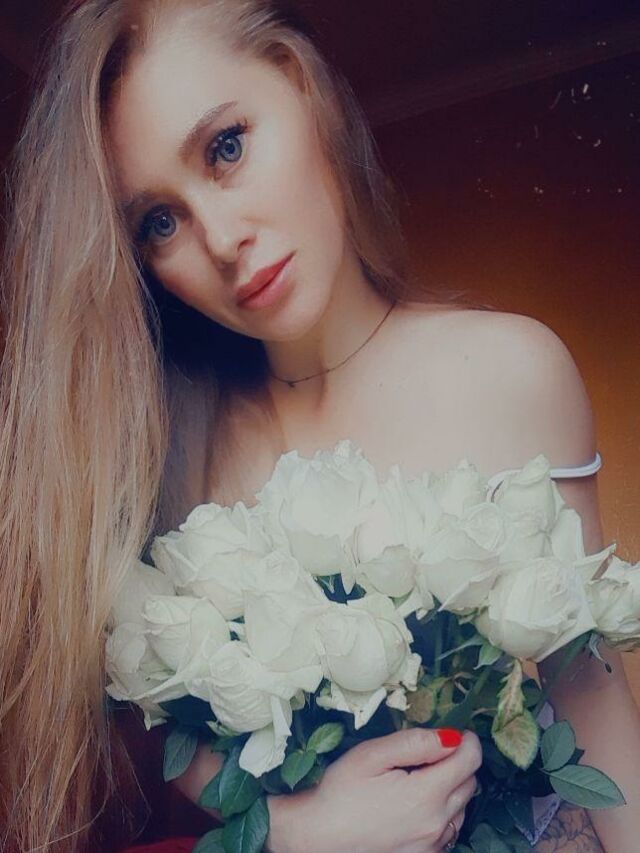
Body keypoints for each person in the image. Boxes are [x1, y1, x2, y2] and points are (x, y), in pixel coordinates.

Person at [0, 1, 638, 851]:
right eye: (159, 222)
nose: (221, 239)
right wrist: (292, 828)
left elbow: (587, 688)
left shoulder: (513, 370)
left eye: (227, 147)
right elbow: (164, 712)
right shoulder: (169, 457)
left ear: (303, 87)